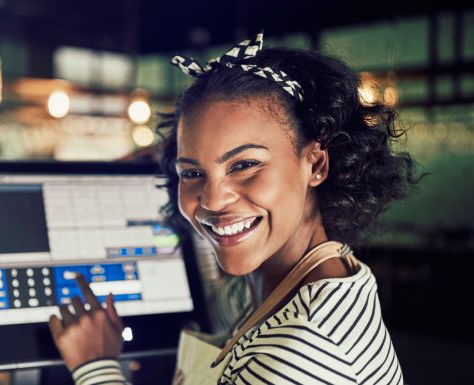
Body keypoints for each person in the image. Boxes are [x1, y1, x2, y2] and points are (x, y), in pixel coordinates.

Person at [48, 32, 419, 385]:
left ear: (317, 164)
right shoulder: (286, 280)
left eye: (244, 165)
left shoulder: (298, 357)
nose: (211, 200)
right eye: (192, 172)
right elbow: (212, 300)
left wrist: (94, 366)